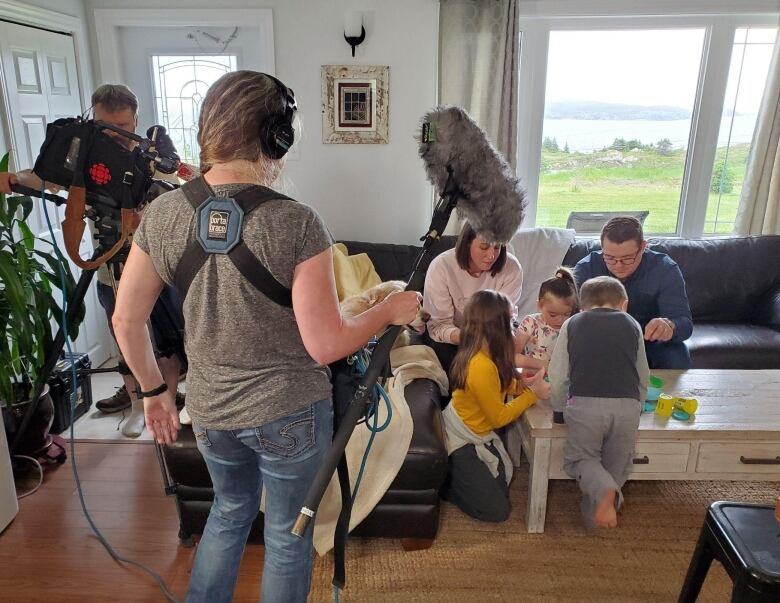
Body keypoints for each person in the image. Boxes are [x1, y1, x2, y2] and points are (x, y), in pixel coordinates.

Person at [111, 70, 421, 603]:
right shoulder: (297, 223)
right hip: (289, 414)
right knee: (285, 536)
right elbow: (326, 344)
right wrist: (389, 310)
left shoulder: (162, 215)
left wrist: (155, 393)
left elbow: (124, 318)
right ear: (279, 137)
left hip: (209, 414)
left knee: (228, 514)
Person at [0, 83, 185, 438]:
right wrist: (13, 180)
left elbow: (174, 195)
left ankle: (167, 404)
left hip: (157, 263)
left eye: (125, 127)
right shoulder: (82, 153)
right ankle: (136, 405)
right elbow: (42, 179)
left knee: (167, 337)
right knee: (124, 334)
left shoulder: (152, 153)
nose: (117, 136)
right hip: (107, 264)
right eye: (107, 127)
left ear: (136, 120)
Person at [548, 276, 649, 529]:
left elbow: (559, 374)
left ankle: (602, 497)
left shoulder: (572, 323)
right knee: (617, 463)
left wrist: (559, 410)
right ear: (623, 304)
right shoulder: (633, 324)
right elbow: (642, 373)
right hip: (627, 407)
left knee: (581, 459)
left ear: (582, 306)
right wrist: (640, 405)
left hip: (586, 405)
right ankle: (597, 516)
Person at [440, 290, 549, 522]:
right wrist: (532, 394)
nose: (514, 326)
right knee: (497, 511)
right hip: (461, 438)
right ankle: (447, 483)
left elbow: (503, 384)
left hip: (476, 431)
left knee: (501, 484)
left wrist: (523, 385)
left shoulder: (488, 353)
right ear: (494, 325)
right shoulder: (480, 366)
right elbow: (499, 418)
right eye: (510, 320)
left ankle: (466, 477)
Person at [573, 216, 693, 369]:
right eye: (609, 258)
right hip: (599, 340)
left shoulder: (664, 269)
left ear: (643, 247)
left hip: (649, 342)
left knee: (677, 356)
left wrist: (669, 326)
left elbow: (685, 323)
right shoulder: (586, 268)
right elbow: (569, 318)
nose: (618, 265)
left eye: (627, 258)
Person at [423, 221, 523, 376]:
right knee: (464, 372)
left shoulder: (511, 268)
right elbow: (438, 325)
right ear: (467, 243)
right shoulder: (441, 267)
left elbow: (505, 319)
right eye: (484, 246)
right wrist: (472, 338)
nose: (491, 255)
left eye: (497, 247)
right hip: (453, 338)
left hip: (494, 335)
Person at [514, 266, 579, 375]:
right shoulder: (531, 323)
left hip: (561, 379)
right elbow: (514, 357)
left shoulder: (572, 325)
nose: (560, 320)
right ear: (539, 305)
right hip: (532, 376)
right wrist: (543, 365)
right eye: (553, 314)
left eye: (567, 314)